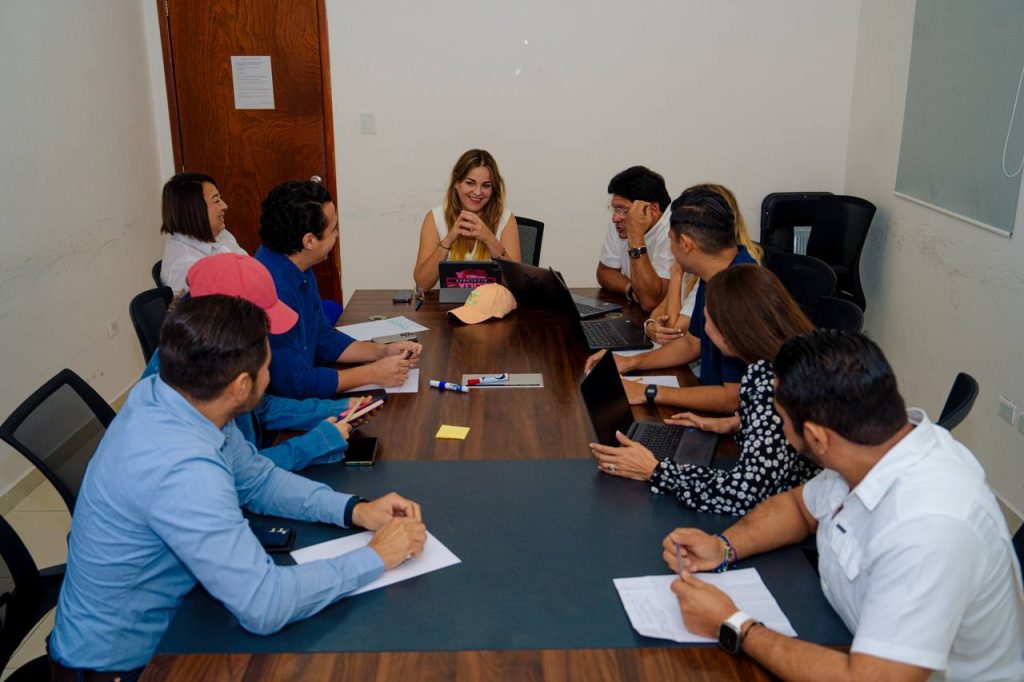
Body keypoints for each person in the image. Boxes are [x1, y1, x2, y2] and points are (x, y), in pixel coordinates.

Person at [48, 295, 428, 679]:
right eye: (267, 367)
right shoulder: (182, 469)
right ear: (242, 385)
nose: (271, 377)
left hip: (177, 616)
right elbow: (265, 604)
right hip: (126, 666)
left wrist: (354, 510)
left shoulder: (179, 397)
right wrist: (376, 556)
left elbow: (257, 480)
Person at [663, 331, 1024, 681]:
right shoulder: (869, 445)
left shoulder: (930, 525)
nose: (780, 430)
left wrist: (734, 624)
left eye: (782, 420)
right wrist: (723, 547)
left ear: (817, 437)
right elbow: (799, 508)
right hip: (849, 636)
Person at [589, 265, 820, 515]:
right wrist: (737, 423)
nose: (704, 329)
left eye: (707, 320)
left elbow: (743, 495)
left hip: (801, 510)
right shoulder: (779, 362)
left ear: (731, 331)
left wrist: (654, 470)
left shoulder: (772, 385)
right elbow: (778, 430)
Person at [143, 253, 375, 471]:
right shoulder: (184, 397)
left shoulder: (213, 355)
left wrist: (336, 409)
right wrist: (316, 442)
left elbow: (261, 407)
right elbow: (240, 475)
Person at [586, 185, 758, 414]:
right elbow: (692, 344)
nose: (671, 251)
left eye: (670, 241)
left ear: (686, 244)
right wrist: (630, 362)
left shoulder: (739, 291)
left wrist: (648, 391)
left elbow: (731, 398)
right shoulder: (714, 276)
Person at [256, 180, 422, 399]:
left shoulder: (298, 264)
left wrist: (382, 352)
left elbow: (323, 339)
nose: (337, 235)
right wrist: (371, 374)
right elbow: (296, 384)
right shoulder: (270, 289)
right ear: (309, 241)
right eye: (333, 229)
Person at [644, 183, 764, 345]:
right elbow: (663, 307)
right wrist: (651, 324)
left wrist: (676, 272)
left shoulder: (726, 276)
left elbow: (675, 331)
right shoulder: (705, 273)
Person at [413, 149, 521, 290]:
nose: (477, 192)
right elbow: (422, 284)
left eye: (486, 185)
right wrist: (449, 239)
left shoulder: (505, 218)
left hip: (492, 302)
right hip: (447, 303)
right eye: (470, 183)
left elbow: (516, 285)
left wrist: (490, 239)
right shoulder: (435, 218)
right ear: (456, 183)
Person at [596, 166, 675, 311]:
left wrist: (636, 237)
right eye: (615, 209)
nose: (615, 218)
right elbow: (605, 271)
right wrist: (631, 289)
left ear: (652, 209)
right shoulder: (621, 223)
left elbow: (650, 301)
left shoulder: (674, 231)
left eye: (623, 210)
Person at [158, 172, 247, 294]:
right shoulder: (185, 268)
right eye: (216, 200)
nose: (224, 206)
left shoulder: (219, 233)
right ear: (194, 209)